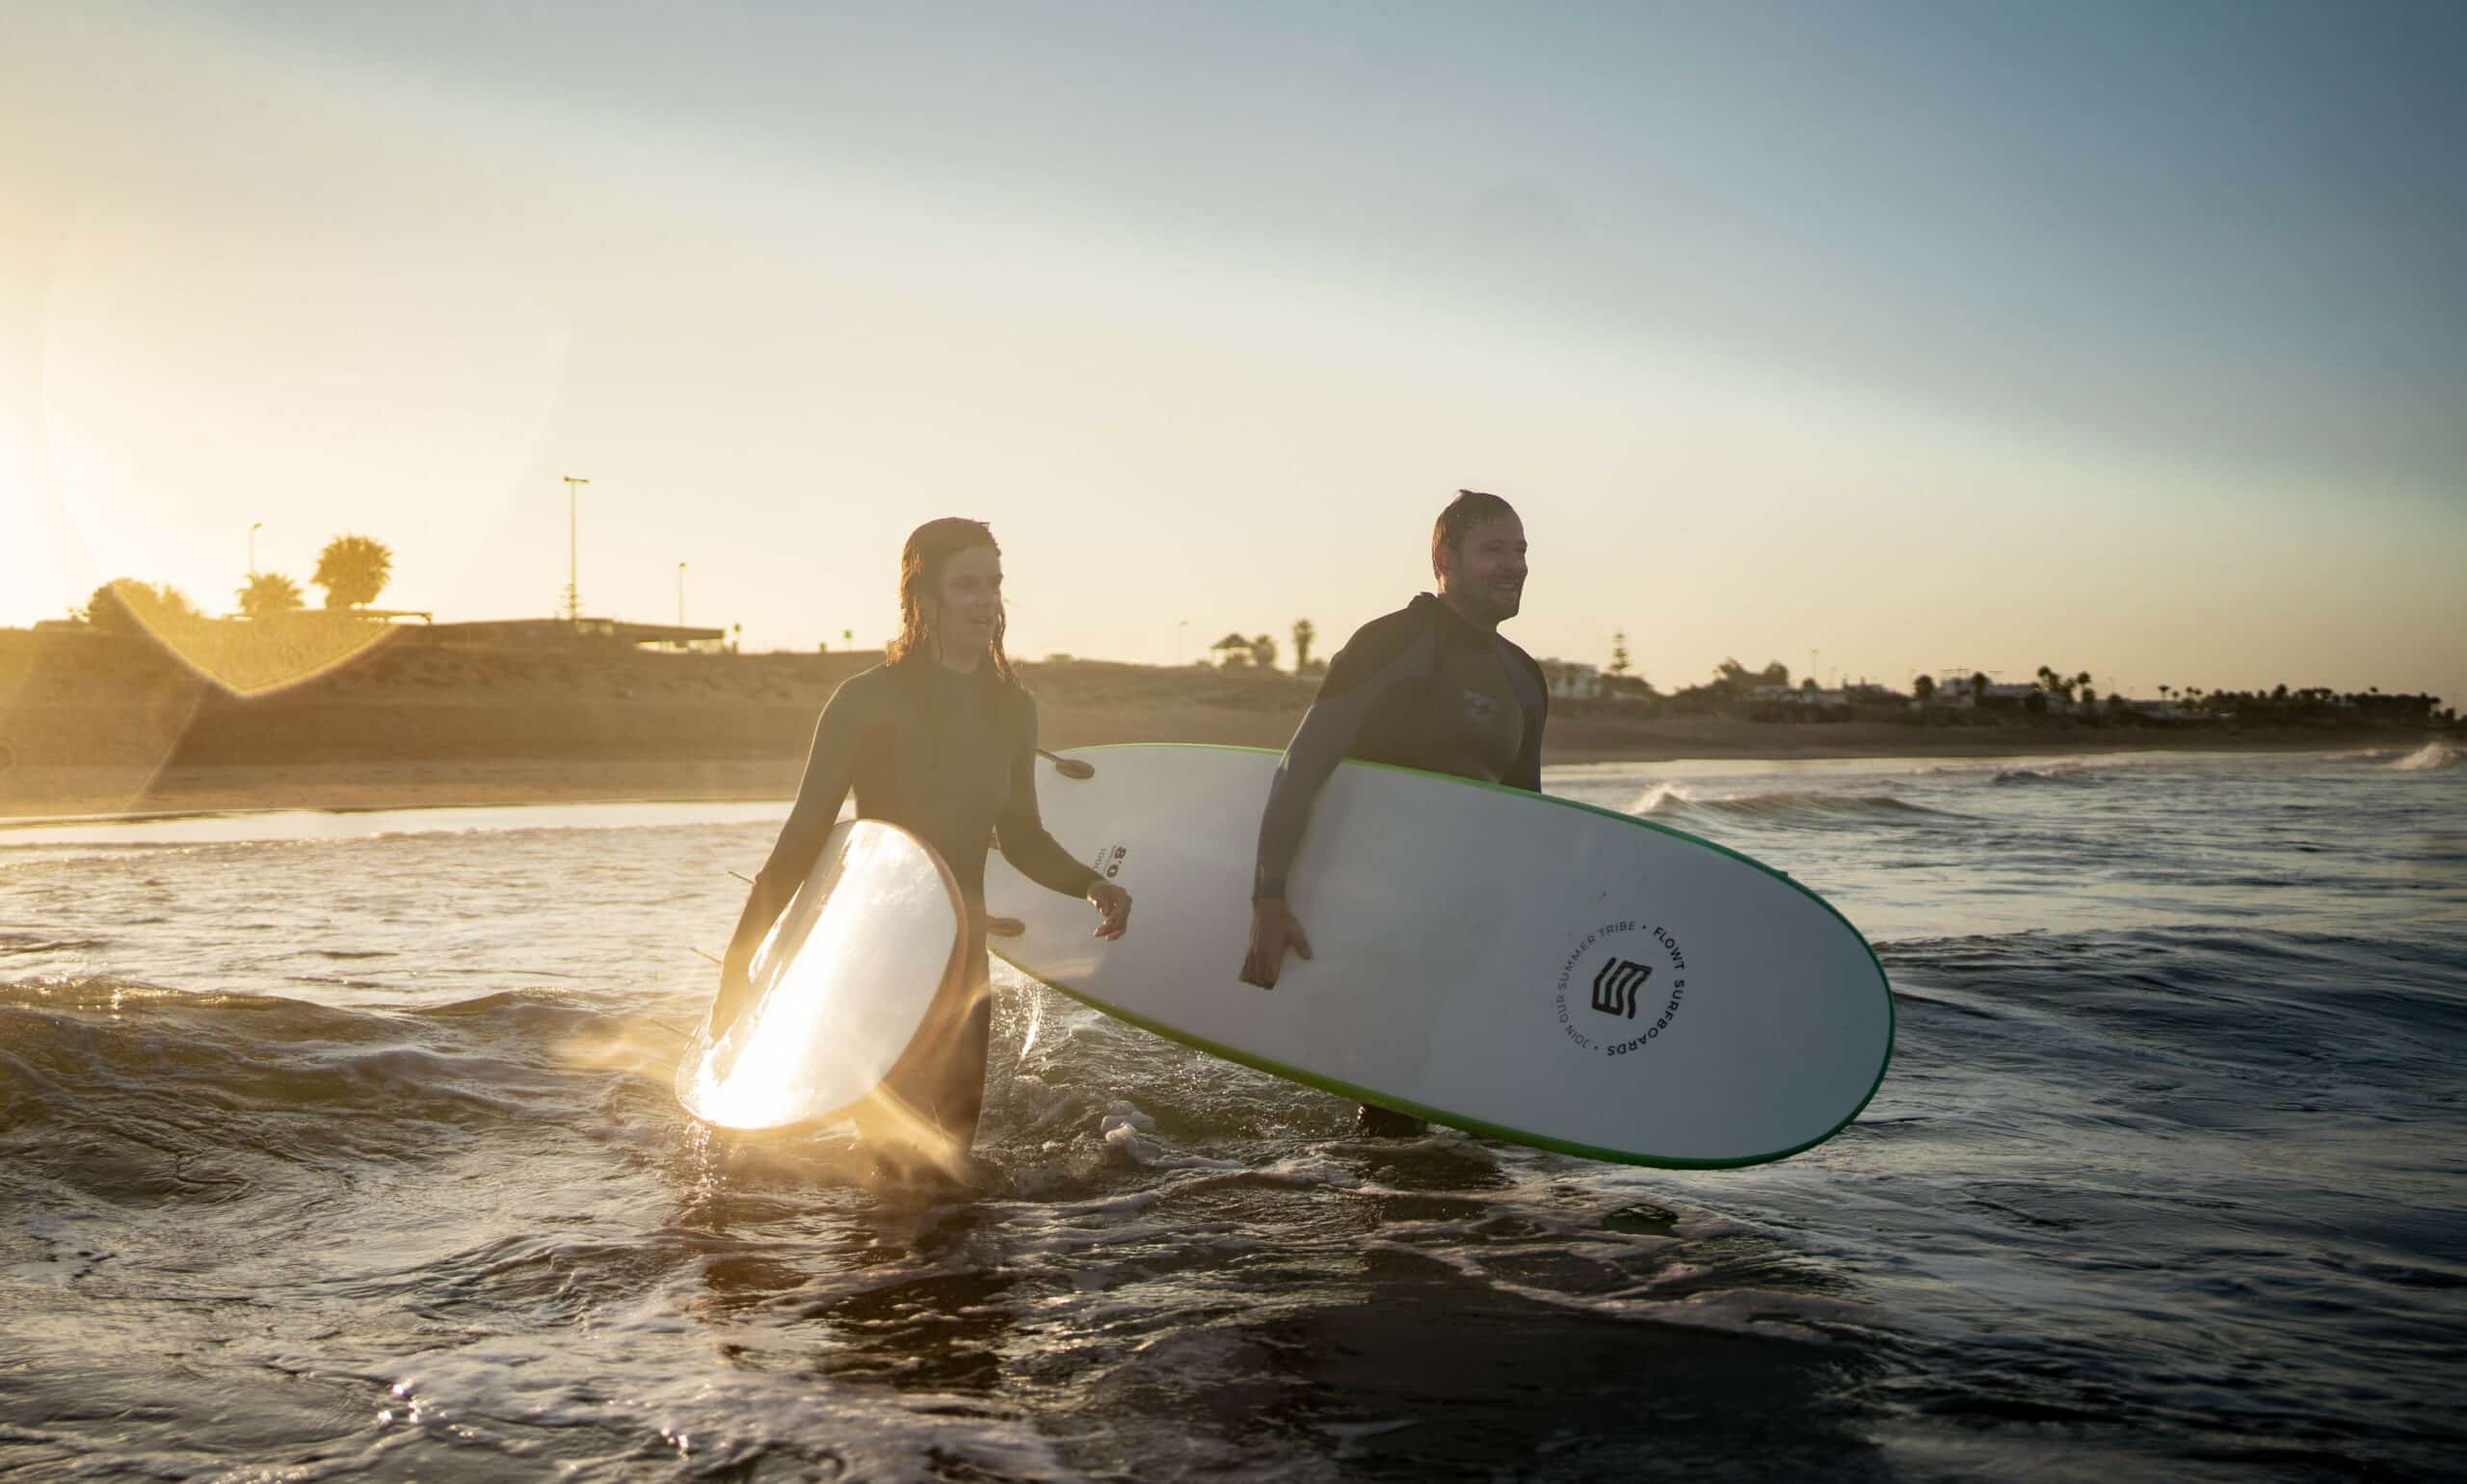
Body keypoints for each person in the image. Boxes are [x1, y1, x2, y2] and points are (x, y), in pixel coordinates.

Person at [715, 517, 1131, 1181]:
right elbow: (801, 840)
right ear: (922, 597)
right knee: (900, 1173)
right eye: (966, 585)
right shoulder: (866, 701)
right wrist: (738, 970)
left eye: (993, 584)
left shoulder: (1012, 708)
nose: (986, 600)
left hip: (964, 970)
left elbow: (1023, 837)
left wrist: (1092, 885)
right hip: (877, 962)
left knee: (953, 1166)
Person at [1237, 490, 1546, 1135]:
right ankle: (1383, 1217)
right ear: (1445, 557)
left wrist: (1527, 937)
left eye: (1519, 550)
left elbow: (1526, 823)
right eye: (1494, 549)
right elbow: (1302, 766)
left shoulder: (1524, 679)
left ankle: (1420, 1222)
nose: (1514, 565)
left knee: (1438, 1103)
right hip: (1372, 910)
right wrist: (1269, 898)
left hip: (1459, 919)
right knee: (1392, 1106)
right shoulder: (1395, 643)